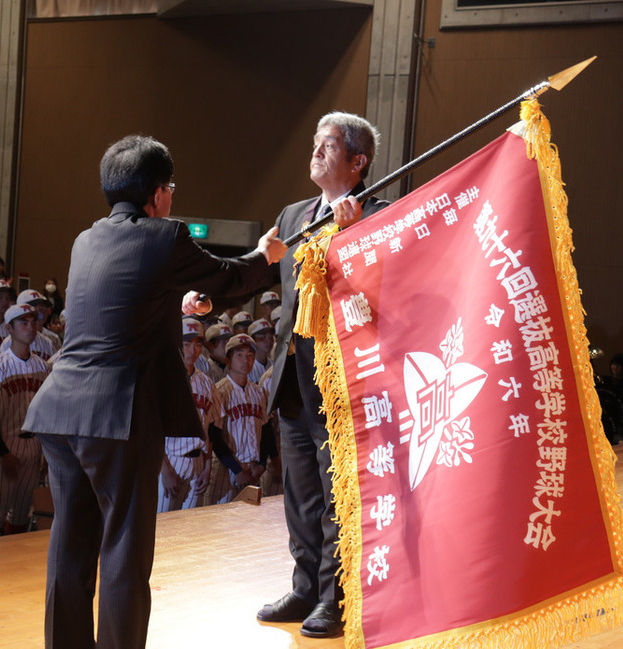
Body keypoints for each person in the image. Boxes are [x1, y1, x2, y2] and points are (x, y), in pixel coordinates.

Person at [21, 134, 286, 649]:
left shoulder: (86, 239)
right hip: (115, 414)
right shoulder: (167, 236)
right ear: (158, 193)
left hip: (59, 409)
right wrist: (264, 254)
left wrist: (177, 304)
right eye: (171, 188)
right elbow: (230, 279)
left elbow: (120, 305)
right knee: (123, 551)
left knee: (71, 547)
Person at [255, 111, 388, 638]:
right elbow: (258, 264)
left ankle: (337, 596)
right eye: (314, 142)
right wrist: (209, 296)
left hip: (341, 378)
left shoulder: (378, 215)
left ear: (358, 162)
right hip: (291, 373)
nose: (315, 151)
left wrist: (355, 236)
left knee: (340, 495)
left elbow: (386, 286)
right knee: (300, 492)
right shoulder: (292, 215)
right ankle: (305, 586)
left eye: (328, 145)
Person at [0, 304, 48, 538]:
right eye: (23, 323)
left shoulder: (42, 367)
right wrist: (3, 452)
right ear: (9, 328)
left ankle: (11, 566)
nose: (30, 327)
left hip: (33, 445)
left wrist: (44, 451)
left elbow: (46, 414)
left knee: (21, 514)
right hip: (5, 444)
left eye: (33, 322)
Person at [157, 318, 217, 513]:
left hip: (199, 462)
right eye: (186, 344)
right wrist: (165, 471)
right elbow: (152, 429)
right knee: (163, 527)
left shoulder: (207, 383)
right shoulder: (162, 378)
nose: (193, 350)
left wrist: (207, 467)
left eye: (197, 344)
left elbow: (210, 429)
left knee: (191, 530)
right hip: (170, 460)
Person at [204, 333, 269, 506]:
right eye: (239, 355)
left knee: (248, 524)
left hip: (253, 468)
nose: (245, 360)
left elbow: (266, 429)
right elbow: (214, 436)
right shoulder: (219, 391)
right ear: (228, 360)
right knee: (219, 522)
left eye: (249, 355)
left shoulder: (259, 392)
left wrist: (262, 463)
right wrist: (237, 469)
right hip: (225, 470)